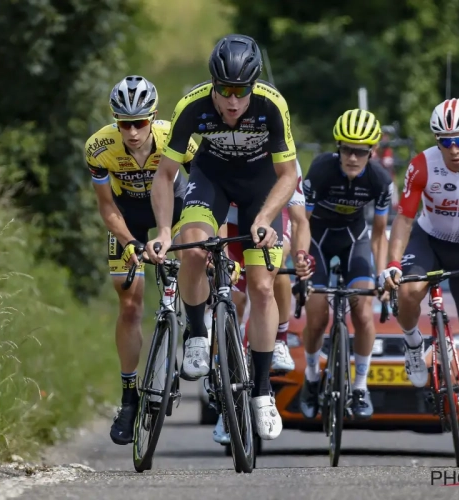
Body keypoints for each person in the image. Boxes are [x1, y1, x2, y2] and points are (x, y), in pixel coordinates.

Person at [146, 34, 300, 441]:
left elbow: (288, 176)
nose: (233, 102)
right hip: (211, 180)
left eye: (241, 92)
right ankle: (198, 334)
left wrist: (267, 217)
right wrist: (164, 231)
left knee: (263, 287)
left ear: (254, 86)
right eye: (225, 91)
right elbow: (165, 175)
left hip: (259, 188)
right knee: (194, 249)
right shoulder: (192, 107)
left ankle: (263, 391)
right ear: (212, 84)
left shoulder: (271, 105)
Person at [379, 98, 459, 446]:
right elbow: (404, 219)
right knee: (409, 291)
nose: (452, 149)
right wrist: (393, 262)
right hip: (428, 239)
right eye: (444, 140)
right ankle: (412, 345)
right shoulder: (423, 165)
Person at [86, 75, 198, 446]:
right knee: (129, 302)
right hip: (128, 216)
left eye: (139, 123)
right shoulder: (99, 147)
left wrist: (201, 236)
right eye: (124, 124)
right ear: (115, 122)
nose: (132, 132)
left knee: (198, 261)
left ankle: (201, 334)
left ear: (153, 118)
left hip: (176, 208)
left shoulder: (175, 137)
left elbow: (203, 190)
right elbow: (106, 206)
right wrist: (131, 242)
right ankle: (129, 396)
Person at [298, 109, 393, 421]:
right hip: (318, 239)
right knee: (315, 316)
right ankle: (312, 378)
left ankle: (361, 387)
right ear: (338, 148)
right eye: (347, 150)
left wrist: (381, 276)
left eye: (361, 152)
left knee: (363, 313)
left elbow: (379, 235)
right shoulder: (322, 170)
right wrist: (300, 261)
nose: (353, 158)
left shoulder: (380, 179)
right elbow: (303, 222)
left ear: (372, 153)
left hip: (355, 239)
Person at [211, 159, 314, 445]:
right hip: (228, 227)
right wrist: (221, 259)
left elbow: (298, 219)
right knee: (232, 297)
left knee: (275, 272)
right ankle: (225, 398)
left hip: (267, 226)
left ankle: (278, 339)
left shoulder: (287, 161)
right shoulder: (224, 149)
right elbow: (214, 216)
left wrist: (303, 256)